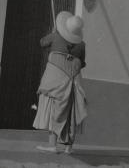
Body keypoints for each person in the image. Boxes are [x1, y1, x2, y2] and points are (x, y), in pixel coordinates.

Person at [33, 11, 87, 154]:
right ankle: (69, 147)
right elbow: (82, 63)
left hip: (56, 80)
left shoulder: (56, 36)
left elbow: (42, 42)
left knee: (54, 109)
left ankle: (52, 144)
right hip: (73, 81)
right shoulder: (81, 45)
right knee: (70, 111)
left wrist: (53, 34)